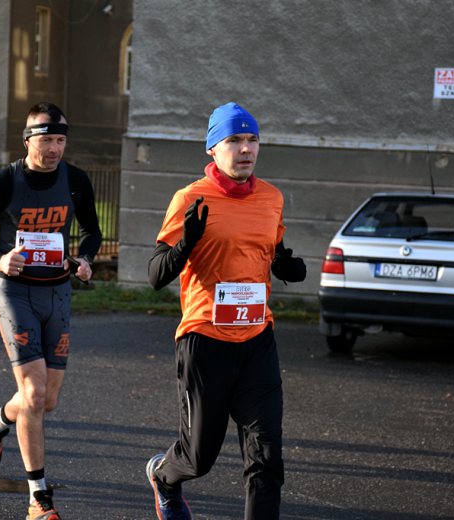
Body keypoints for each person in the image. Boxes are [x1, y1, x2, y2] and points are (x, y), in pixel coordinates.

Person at [145, 102, 307, 520]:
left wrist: (283, 264)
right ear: (213, 150)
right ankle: (165, 477)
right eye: (234, 140)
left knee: (266, 458)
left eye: (252, 139)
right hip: (205, 341)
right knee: (198, 458)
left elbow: (267, 251)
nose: (246, 148)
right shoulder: (190, 199)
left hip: (257, 340)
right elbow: (155, 275)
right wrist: (186, 243)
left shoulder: (271, 198)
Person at [0, 102, 101, 520]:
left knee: (46, 400)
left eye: (60, 140)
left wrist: (85, 260)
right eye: (46, 139)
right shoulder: (1, 182)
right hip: (15, 293)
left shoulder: (76, 181)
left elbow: (92, 230)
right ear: (27, 140)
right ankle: (38, 497)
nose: (54, 148)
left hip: (57, 293)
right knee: (34, 394)